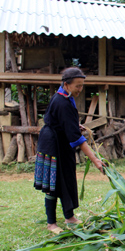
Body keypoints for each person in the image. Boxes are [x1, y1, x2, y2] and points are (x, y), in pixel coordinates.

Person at [33, 67, 104, 234]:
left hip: (62, 142)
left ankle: (69, 217)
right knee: (54, 183)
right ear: (66, 84)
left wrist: (73, 125)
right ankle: (51, 223)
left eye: (82, 86)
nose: (80, 89)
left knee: (67, 178)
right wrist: (95, 160)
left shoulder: (66, 97)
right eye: (77, 86)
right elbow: (77, 139)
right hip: (53, 145)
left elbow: (60, 121)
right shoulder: (61, 102)